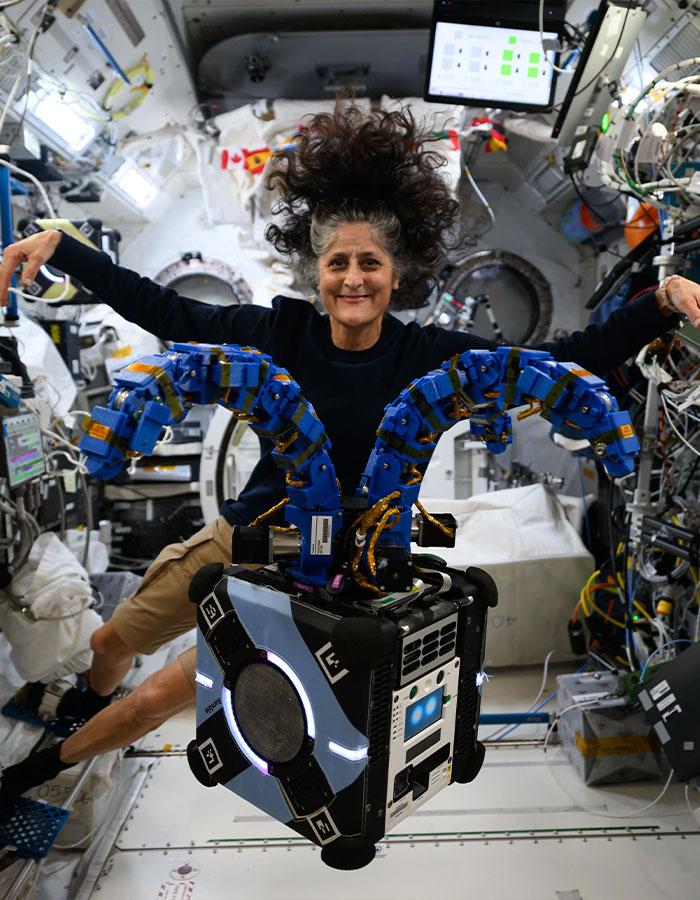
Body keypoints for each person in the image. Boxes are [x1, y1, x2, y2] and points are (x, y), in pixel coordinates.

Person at [0, 102, 699, 807]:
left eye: (371, 262)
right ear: (317, 273)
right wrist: (65, 248)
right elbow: (169, 312)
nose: (353, 278)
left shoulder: (430, 357)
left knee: (155, 696)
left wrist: (662, 299)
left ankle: (31, 774)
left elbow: (561, 361)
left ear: (397, 276)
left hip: (329, 571)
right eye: (338, 263)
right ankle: (84, 697)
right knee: (112, 644)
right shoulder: (278, 334)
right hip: (242, 534)